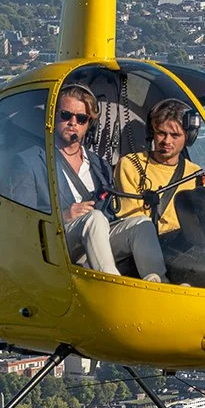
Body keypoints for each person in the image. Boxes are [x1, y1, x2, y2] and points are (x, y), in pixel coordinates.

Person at [52, 85, 164, 280]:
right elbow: (21, 215)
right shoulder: (34, 160)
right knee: (94, 219)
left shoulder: (99, 165)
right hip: (58, 239)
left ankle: (159, 283)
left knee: (142, 224)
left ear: (90, 124)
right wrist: (65, 215)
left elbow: (109, 213)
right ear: (54, 117)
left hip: (96, 236)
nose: (73, 123)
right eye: (65, 115)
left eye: (81, 118)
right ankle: (112, 283)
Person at [115, 98, 205, 237]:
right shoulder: (130, 165)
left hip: (185, 244)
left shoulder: (197, 175)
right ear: (152, 133)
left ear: (188, 137)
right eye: (161, 133)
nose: (167, 141)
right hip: (146, 241)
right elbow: (134, 222)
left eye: (175, 135)